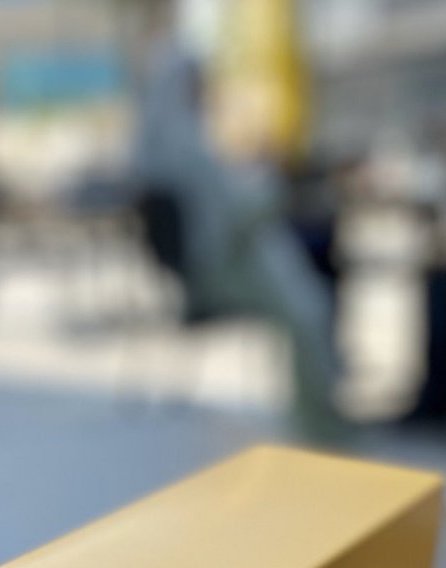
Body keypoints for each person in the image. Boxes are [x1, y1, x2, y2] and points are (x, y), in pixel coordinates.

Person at [129, 38, 342, 439]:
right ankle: (319, 424)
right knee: (309, 309)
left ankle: (320, 410)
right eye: (199, 82)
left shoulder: (156, 144)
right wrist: (271, 180)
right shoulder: (184, 145)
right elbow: (229, 218)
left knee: (303, 276)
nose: (205, 90)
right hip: (219, 271)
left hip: (210, 265)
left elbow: (220, 205)